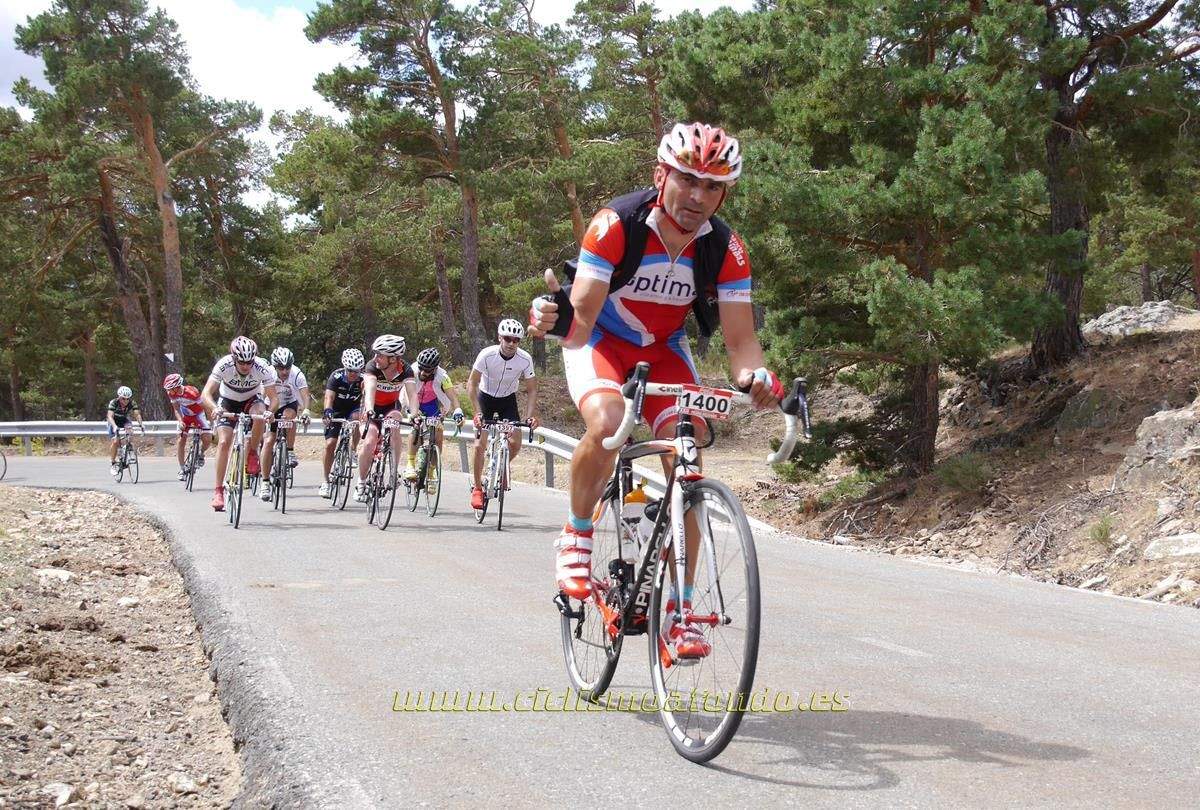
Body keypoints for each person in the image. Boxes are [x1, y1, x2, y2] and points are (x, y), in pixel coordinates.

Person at [528, 122, 785, 660]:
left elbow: (742, 341)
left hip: (664, 349)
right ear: (660, 175)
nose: (698, 196)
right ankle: (575, 538)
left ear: (724, 193)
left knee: (688, 461)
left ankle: (682, 613)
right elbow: (579, 324)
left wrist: (756, 378)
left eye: (712, 186)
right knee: (607, 423)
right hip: (600, 338)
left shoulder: (726, 247)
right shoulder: (614, 225)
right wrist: (550, 322)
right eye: (687, 179)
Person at [467, 319, 539, 509]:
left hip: (507, 400)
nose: (511, 343)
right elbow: (471, 384)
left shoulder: (525, 359)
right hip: (485, 398)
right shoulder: (486, 355)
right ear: (500, 337)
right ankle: (477, 488)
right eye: (507, 338)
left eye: (516, 340)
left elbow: (532, 389)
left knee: (516, 442)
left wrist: (530, 416)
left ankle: (501, 466)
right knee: (478, 446)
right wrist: (477, 412)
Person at [202, 336, 279, 511]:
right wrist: (214, 407)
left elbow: (274, 398)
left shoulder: (261, 367)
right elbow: (205, 393)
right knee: (223, 442)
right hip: (227, 401)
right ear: (234, 358)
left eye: (249, 362)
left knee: (259, 413)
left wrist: (270, 411)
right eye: (241, 362)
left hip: (251, 399)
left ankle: (252, 452)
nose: (245, 366)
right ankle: (218, 491)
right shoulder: (224, 364)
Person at [354, 334, 418, 503]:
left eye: (380, 355)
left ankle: (393, 471)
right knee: (370, 441)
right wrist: (369, 409)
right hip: (371, 407)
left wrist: (415, 414)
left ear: (393, 359)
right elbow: (370, 389)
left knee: (395, 422)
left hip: (391, 407)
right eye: (375, 353)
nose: (376, 358)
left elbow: (412, 395)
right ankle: (361, 482)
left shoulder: (405, 369)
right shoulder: (372, 367)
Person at [260, 347, 310, 502]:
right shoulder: (268, 373)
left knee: (289, 417)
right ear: (275, 367)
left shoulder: (296, 374)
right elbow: (261, 396)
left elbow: (305, 395)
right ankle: (265, 482)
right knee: (268, 442)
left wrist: (307, 410)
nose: (284, 371)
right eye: (281, 368)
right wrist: (263, 413)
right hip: (271, 405)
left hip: (289, 403)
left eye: (287, 367)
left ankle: (289, 450)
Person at [405, 348, 464, 479]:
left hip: (432, 404)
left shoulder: (442, 376)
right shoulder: (412, 370)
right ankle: (410, 464)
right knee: (416, 427)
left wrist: (458, 410)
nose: (423, 372)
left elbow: (452, 396)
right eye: (421, 368)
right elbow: (405, 393)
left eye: (427, 370)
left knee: (438, 432)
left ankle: (432, 470)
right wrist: (412, 410)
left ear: (435, 369)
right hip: (413, 401)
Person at [320, 348, 366, 498]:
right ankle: (326, 482)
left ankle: (352, 450)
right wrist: (327, 410)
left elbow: (366, 399)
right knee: (330, 444)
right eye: (350, 370)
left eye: (357, 371)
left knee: (358, 418)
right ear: (345, 367)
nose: (354, 374)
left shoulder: (363, 379)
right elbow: (329, 398)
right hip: (337, 410)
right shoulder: (336, 376)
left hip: (353, 408)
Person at [163, 373, 213, 481]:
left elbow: (205, 407)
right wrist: (180, 421)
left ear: (177, 387)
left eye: (170, 389)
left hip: (198, 415)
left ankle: (201, 453)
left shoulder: (192, 393)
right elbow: (176, 409)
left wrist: (210, 422)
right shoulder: (171, 394)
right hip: (185, 416)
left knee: (208, 438)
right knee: (181, 440)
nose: (169, 392)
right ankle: (182, 468)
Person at [106, 385, 144, 474]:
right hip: (113, 421)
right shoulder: (114, 402)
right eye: (123, 399)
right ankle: (112, 462)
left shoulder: (132, 402)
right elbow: (109, 416)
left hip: (124, 420)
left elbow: (137, 414)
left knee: (130, 431)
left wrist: (141, 424)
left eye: (128, 399)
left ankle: (129, 449)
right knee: (116, 441)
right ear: (119, 397)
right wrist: (115, 426)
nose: (126, 401)